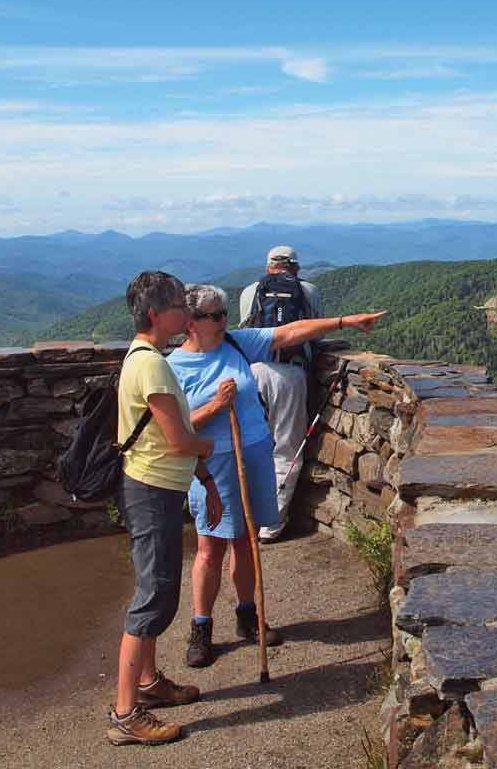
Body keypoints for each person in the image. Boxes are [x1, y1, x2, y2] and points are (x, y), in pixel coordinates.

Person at [170, 283, 386, 667]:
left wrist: (345, 321)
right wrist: (218, 406)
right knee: (209, 547)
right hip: (213, 464)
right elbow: (177, 429)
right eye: (215, 315)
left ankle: (248, 616)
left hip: (253, 452)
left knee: (246, 539)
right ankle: (201, 627)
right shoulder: (174, 367)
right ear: (191, 323)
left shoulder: (236, 344)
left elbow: (289, 333)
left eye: (224, 313)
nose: (224, 320)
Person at [108, 271, 219, 747]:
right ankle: (125, 714)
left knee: (157, 590)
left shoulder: (148, 358)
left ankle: (150, 684)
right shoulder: (150, 364)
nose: (187, 313)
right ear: (156, 314)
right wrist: (207, 449)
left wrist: (205, 480)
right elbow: (178, 439)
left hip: (155, 487)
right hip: (151, 492)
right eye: (179, 305)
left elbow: (160, 438)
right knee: (153, 596)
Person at [238, 245, 325, 543]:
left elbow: (244, 334)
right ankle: (271, 525)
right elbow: (316, 332)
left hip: (253, 373)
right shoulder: (309, 291)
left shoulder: (250, 292)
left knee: (250, 444)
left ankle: (244, 514)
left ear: (268, 267)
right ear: (296, 267)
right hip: (290, 374)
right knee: (286, 451)